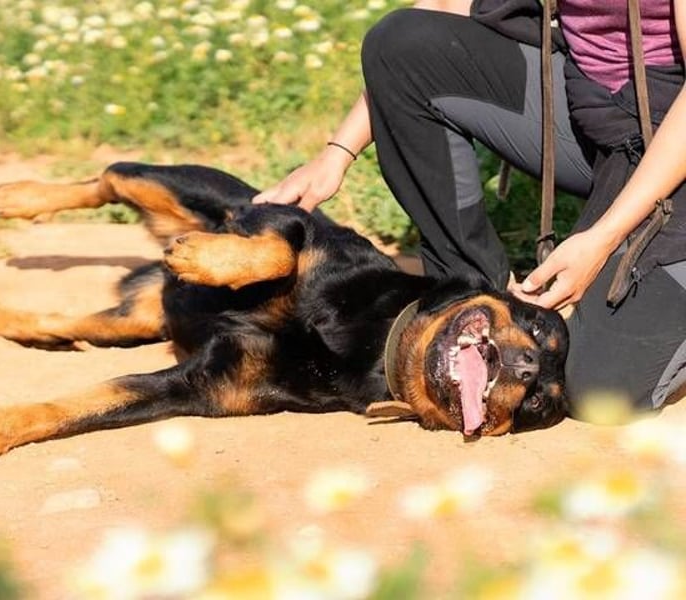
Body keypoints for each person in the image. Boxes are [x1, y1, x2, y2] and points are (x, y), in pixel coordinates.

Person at [253, 0, 686, 414]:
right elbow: (438, 10)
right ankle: (479, 305)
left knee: (597, 389)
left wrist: (602, 238)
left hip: (675, 133)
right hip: (596, 113)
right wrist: (337, 154)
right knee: (399, 42)